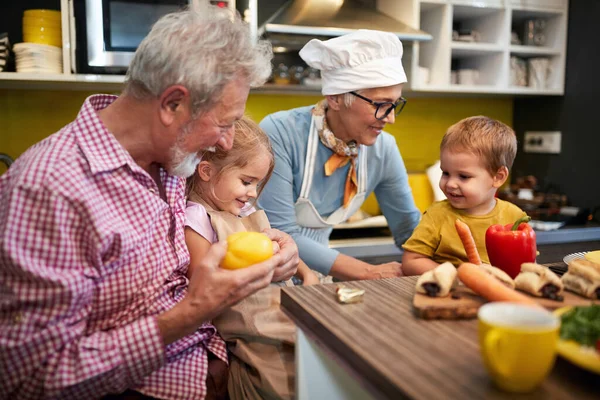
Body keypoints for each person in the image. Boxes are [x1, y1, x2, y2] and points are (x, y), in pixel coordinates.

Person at [0, 5, 301, 400]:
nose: (225, 142)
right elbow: (29, 380)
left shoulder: (171, 162)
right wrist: (192, 313)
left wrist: (278, 252)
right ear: (173, 103)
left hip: (211, 366)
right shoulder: (49, 188)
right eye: (224, 123)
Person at [258, 30, 421, 281]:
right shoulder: (280, 133)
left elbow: (408, 228)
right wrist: (367, 271)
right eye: (380, 105)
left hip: (319, 277)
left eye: (395, 104)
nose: (391, 118)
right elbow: (281, 231)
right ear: (335, 98)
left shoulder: (383, 149)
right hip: (267, 276)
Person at [185, 116, 318, 400]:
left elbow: (279, 248)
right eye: (247, 182)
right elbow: (202, 282)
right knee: (284, 380)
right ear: (206, 171)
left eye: (257, 184)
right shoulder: (196, 218)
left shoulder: (243, 212)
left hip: (280, 309)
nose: (253, 193)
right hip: (250, 326)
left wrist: (305, 272)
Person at [401, 116, 527, 276]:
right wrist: (460, 275)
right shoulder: (437, 215)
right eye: (445, 173)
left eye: (463, 176)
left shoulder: (515, 216)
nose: (450, 184)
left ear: (498, 177)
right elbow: (411, 262)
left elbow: (526, 265)